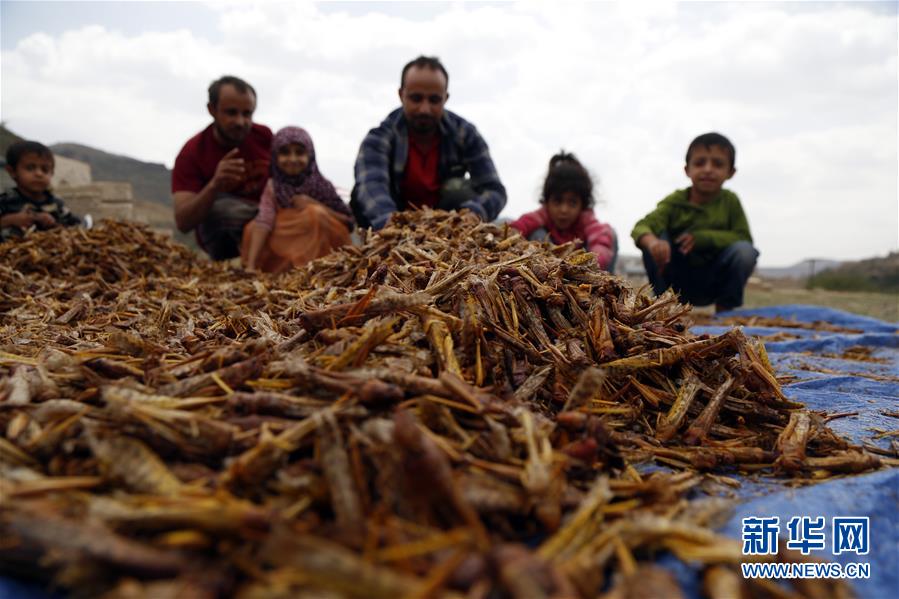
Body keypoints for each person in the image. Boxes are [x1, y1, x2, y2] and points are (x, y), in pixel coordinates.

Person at [350, 55, 506, 230]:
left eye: (434, 100)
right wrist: (392, 228)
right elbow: (371, 185)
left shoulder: (465, 134)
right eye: (416, 98)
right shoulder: (379, 139)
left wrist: (471, 214)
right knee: (361, 196)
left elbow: (495, 190)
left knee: (460, 191)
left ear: (445, 98)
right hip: (396, 224)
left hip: (447, 227)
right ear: (401, 95)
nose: (425, 109)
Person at [631, 132, 758, 312]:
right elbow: (641, 227)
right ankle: (662, 310)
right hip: (676, 279)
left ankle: (726, 314)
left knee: (744, 252)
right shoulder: (675, 202)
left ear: (731, 172)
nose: (708, 169)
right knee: (657, 236)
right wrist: (654, 244)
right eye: (700, 163)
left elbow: (743, 238)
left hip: (714, 280)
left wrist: (703, 238)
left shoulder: (730, 202)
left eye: (718, 164)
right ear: (687, 170)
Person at [172, 75, 273, 260]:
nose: (241, 122)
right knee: (221, 210)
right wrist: (215, 185)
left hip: (268, 221)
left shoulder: (264, 137)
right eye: (231, 113)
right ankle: (234, 265)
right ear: (212, 110)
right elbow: (183, 222)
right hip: (229, 232)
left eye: (247, 114)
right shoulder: (192, 153)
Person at [241, 126, 352, 273]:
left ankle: (316, 269)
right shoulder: (273, 187)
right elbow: (264, 221)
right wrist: (251, 266)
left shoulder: (321, 186)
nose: (292, 159)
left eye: (299, 152)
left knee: (314, 214)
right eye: (285, 152)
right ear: (275, 156)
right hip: (283, 252)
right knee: (253, 228)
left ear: (310, 155)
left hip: (324, 255)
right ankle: (276, 269)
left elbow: (348, 221)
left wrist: (315, 205)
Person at [510, 151, 617, 271]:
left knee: (610, 233)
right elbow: (520, 226)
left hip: (582, 274)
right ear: (547, 202)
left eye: (572, 203)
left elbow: (600, 239)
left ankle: (606, 286)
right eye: (557, 201)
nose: (564, 209)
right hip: (548, 272)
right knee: (537, 234)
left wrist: (591, 262)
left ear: (582, 206)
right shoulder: (543, 216)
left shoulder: (586, 220)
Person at [1, 141, 81, 242]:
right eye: (30, 168)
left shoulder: (56, 203)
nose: (39, 174)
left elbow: (76, 227)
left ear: (52, 173)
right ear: (12, 172)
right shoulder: (5, 201)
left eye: (45, 169)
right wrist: (9, 220)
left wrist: (54, 224)